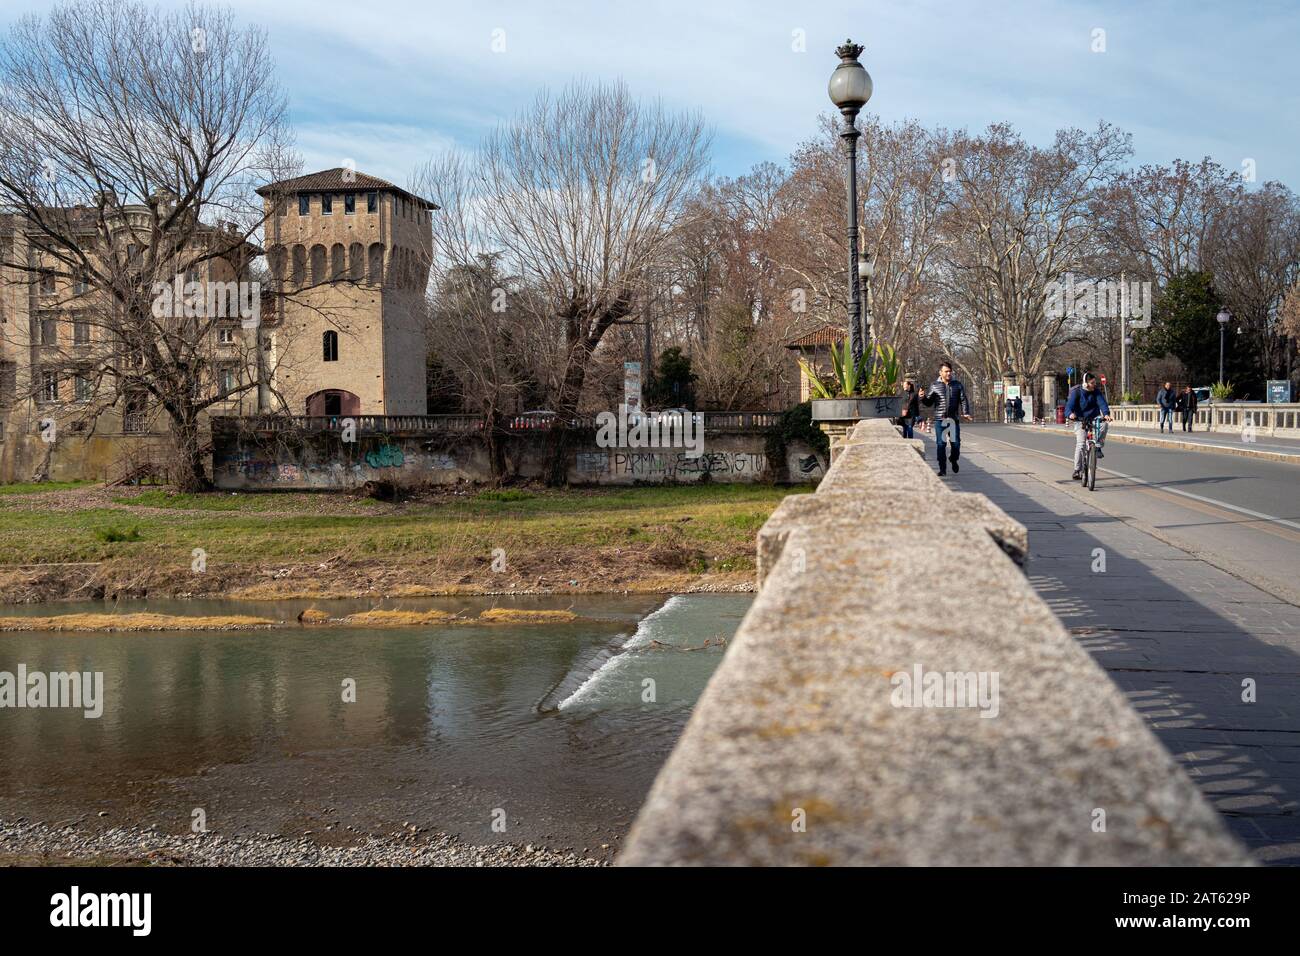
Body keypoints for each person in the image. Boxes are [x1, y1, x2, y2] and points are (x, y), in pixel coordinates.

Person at [920, 361, 972, 476]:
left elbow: (963, 400)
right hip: (941, 420)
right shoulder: (934, 385)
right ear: (940, 372)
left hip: (953, 420)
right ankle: (942, 469)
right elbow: (928, 402)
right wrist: (923, 398)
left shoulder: (957, 385)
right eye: (946, 371)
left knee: (956, 444)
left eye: (950, 371)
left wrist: (965, 412)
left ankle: (953, 459)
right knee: (941, 444)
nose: (948, 373)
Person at [1065, 372, 1112, 480]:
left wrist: (1106, 414)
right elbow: (1068, 407)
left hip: (1094, 418)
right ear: (1086, 384)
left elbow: (1102, 404)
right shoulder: (1077, 392)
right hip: (1080, 420)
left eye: (1095, 382)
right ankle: (1077, 470)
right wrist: (1070, 414)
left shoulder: (1096, 392)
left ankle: (1098, 446)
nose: (1094, 385)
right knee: (1081, 444)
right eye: (1092, 383)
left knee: (1104, 425)